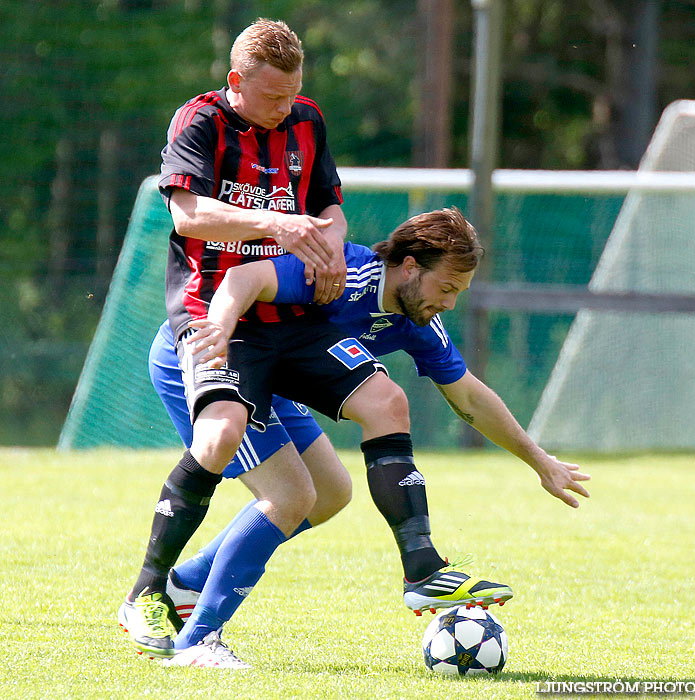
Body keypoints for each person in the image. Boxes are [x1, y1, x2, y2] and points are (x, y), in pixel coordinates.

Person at [118, 19, 512, 667]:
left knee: (343, 470)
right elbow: (187, 216)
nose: (284, 110)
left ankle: (420, 570)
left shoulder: (306, 121)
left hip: (289, 322)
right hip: (215, 309)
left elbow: (329, 207)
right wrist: (276, 221)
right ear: (235, 83)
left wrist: (326, 240)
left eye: (293, 94)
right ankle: (156, 597)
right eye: (271, 98)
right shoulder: (199, 123)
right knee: (246, 461)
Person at [149, 207, 591, 668]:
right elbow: (241, 280)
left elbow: (471, 400)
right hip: (208, 360)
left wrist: (539, 460)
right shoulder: (342, 270)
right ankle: (196, 641)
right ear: (410, 267)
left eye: (459, 293)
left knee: (330, 493)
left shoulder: (415, 321)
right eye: (446, 288)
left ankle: (187, 584)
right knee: (290, 496)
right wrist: (216, 335)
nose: (450, 303)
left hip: (274, 383)